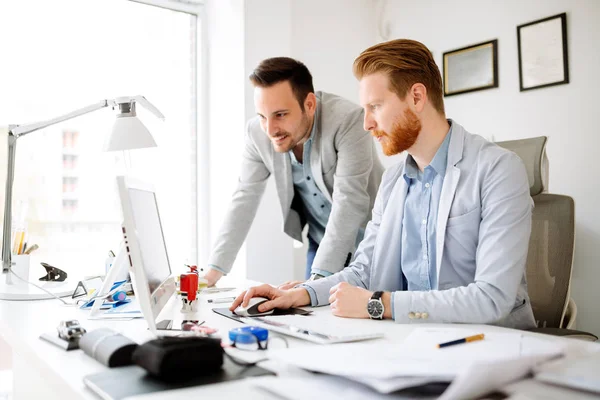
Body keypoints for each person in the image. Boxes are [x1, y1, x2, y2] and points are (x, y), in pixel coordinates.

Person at [230, 39, 537, 329]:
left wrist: (380, 304)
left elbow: (491, 298)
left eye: (375, 107)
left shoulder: (498, 169)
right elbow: (364, 271)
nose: (367, 124)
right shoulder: (393, 182)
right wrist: (302, 293)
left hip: (492, 344)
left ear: (416, 97)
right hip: (416, 341)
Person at [205, 57, 383, 287]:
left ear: (309, 104)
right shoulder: (257, 134)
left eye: (280, 115)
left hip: (372, 243)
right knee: (311, 319)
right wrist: (212, 271)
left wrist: (316, 283)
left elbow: (350, 200)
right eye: (262, 116)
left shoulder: (348, 120)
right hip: (321, 243)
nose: (270, 129)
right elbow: (244, 198)